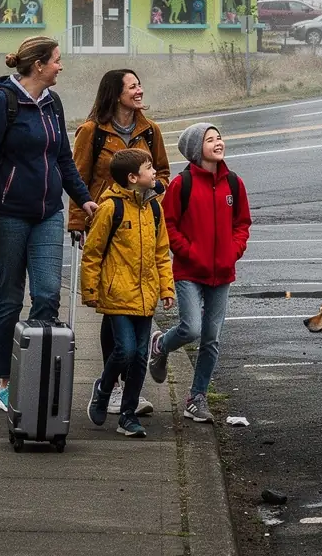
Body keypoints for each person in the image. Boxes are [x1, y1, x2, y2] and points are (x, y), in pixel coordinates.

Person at [0, 35, 97, 412]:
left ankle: (33, 376)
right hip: (5, 214)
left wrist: (82, 197)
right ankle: (7, 382)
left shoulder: (52, 102)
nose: (61, 66)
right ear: (38, 65)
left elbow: (63, 158)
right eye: (57, 60)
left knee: (46, 295)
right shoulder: (0, 103)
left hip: (47, 214)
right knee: (9, 297)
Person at [69, 68, 170, 416]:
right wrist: (77, 223)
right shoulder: (92, 131)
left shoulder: (150, 130)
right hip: (106, 224)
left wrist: (156, 194)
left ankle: (125, 386)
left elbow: (164, 173)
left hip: (140, 223)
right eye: (132, 86)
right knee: (115, 303)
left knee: (131, 302)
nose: (139, 91)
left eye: (140, 84)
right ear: (115, 93)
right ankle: (110, 388)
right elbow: (77, 177)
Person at [148, 123, 251, 423]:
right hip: (189, 272)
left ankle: (196, 397)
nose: (218, 142)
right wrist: (190, 253)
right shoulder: (183, 184)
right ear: (196, 149)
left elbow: (242, 223)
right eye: (210, 139)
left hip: (223, 274)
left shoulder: (234, 183)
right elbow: (168, 225)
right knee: (191, 328)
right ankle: (160, 344)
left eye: (219, 137)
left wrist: (234, 251)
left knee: (211, 338)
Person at [82, 149, 175, 437]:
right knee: (124, 349)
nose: (154, 173)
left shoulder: (153, 209)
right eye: (149, 168)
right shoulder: (110, 208)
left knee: (138, 358)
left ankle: (127, 415)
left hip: (145, 296)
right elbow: (93, 252)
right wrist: (90, 289)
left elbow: (161, 252)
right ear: (133, 178)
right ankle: (104, 388)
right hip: (117, 294)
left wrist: (166, 287)